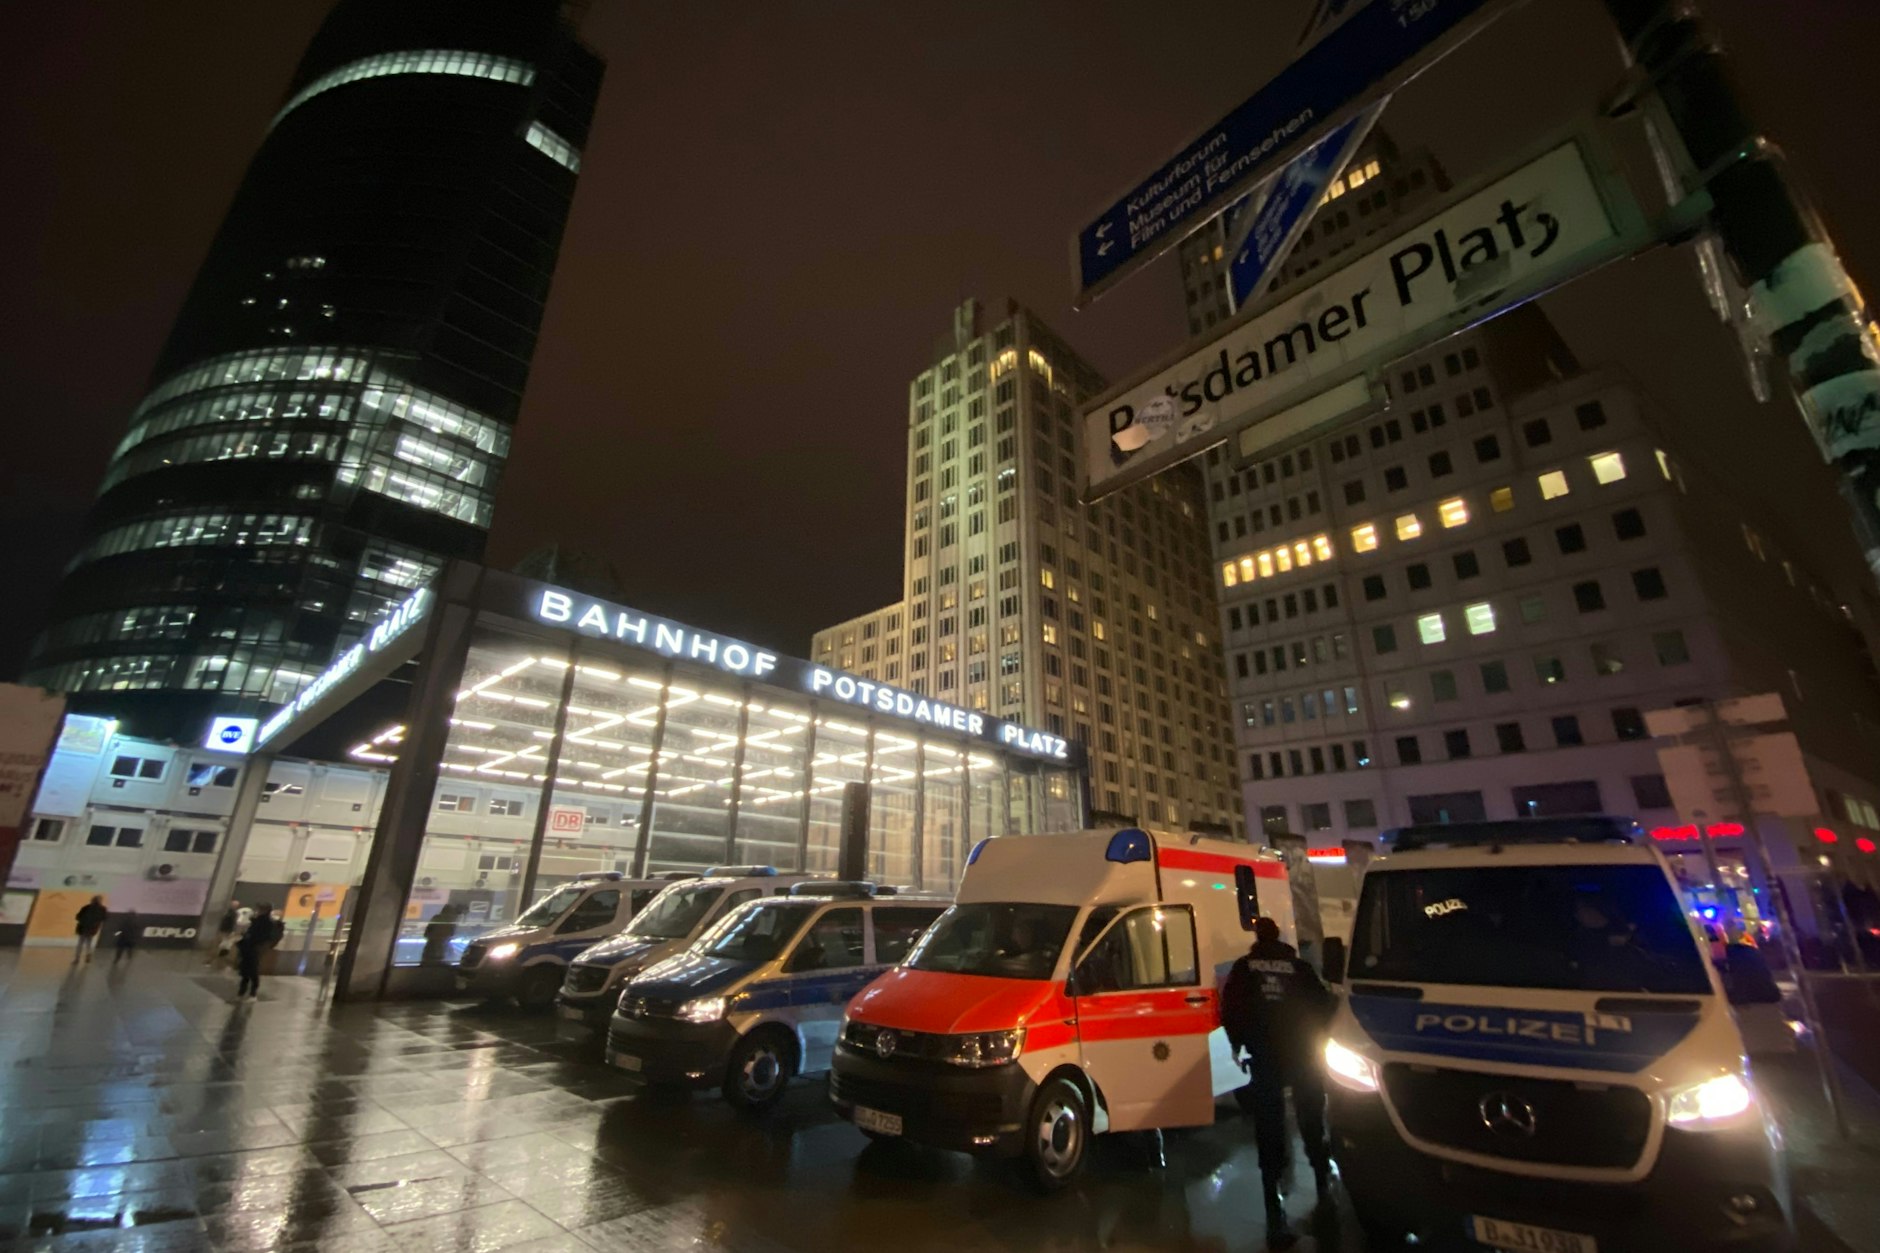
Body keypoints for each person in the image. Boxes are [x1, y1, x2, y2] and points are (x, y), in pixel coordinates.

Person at [1221, 916, 1335, 1250]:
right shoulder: (1298, 968)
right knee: (1311, 1117)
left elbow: (1232, 1011)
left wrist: (1240, 1046)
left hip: (1264, 1057)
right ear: (1280, 938)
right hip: (1302, 1056)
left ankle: (1274, 1203)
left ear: (1257, 938)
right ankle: (1323, 1186)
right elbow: (1323, 1005)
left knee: (1269, 1124)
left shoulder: (1244, 969)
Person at [236, 903, 281, 1001]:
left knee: (251, 970)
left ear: (264, 911)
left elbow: (263, 936)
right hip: (249, 947)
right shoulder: (257, 921)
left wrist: (251, 939)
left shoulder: (266, 923)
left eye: (259, 909)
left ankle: (251, 993)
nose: (257, 911)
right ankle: (243, 991)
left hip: (254, 948)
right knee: (246, 970)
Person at [72, 896, 108, 964]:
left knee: (80, 943)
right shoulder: (103, 909)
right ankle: (88, 955)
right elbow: (104, 918)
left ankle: (77, 958)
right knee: (89, 943)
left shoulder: (86, 907)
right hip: (92, 929)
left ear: (92, 900)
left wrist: (82, 920)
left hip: (83, 928)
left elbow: (78, 917)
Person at [211, 899, 241, 966]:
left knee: (223, 945)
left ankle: (218, 959)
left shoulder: (231, 913)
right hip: (225, 930)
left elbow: (232, 923)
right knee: (224, 945)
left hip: (226, 931)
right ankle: (220, 958)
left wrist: (231, 931)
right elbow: (233, 923)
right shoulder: (231, 913)